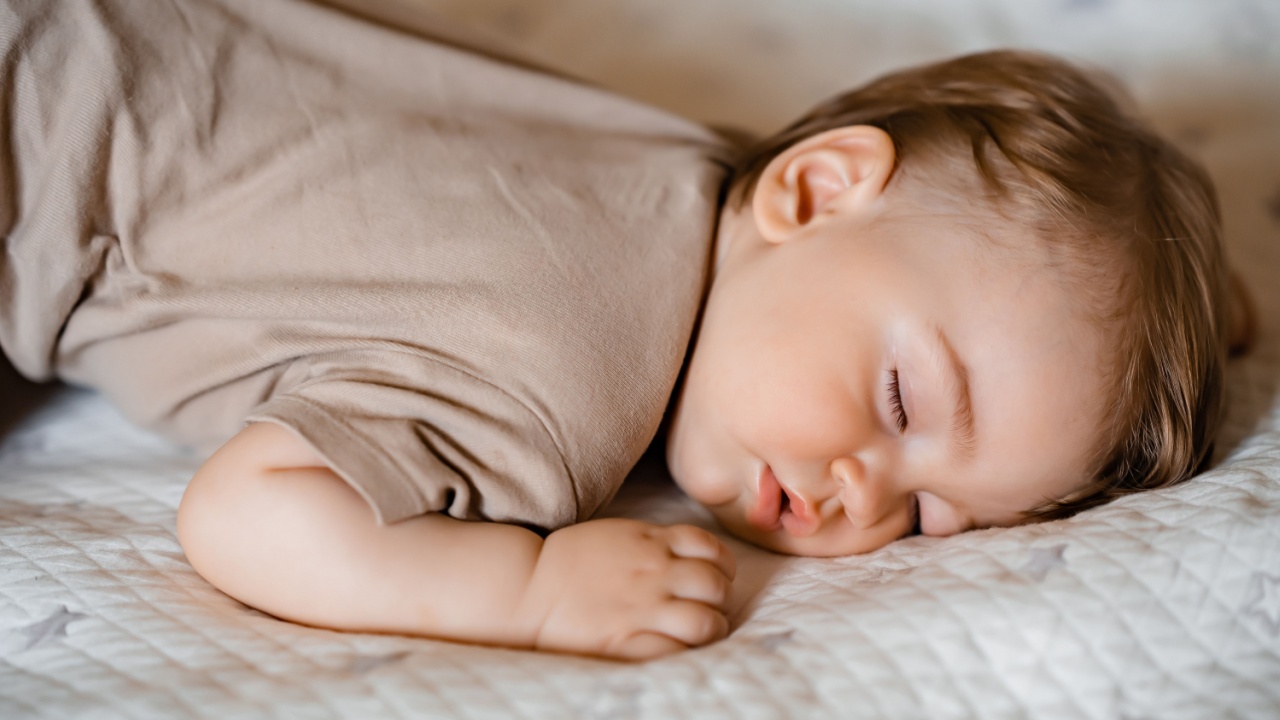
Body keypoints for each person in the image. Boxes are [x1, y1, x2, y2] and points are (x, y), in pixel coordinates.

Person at [0, 0, 1248, 660]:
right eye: (905, 404)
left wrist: (1187, 319)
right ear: (809, 190)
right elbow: (247, 514)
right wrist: (527, 593)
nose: (865, 493)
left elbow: (986, 257)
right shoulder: (565, 386)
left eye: (931, 515)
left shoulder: (683, 175)